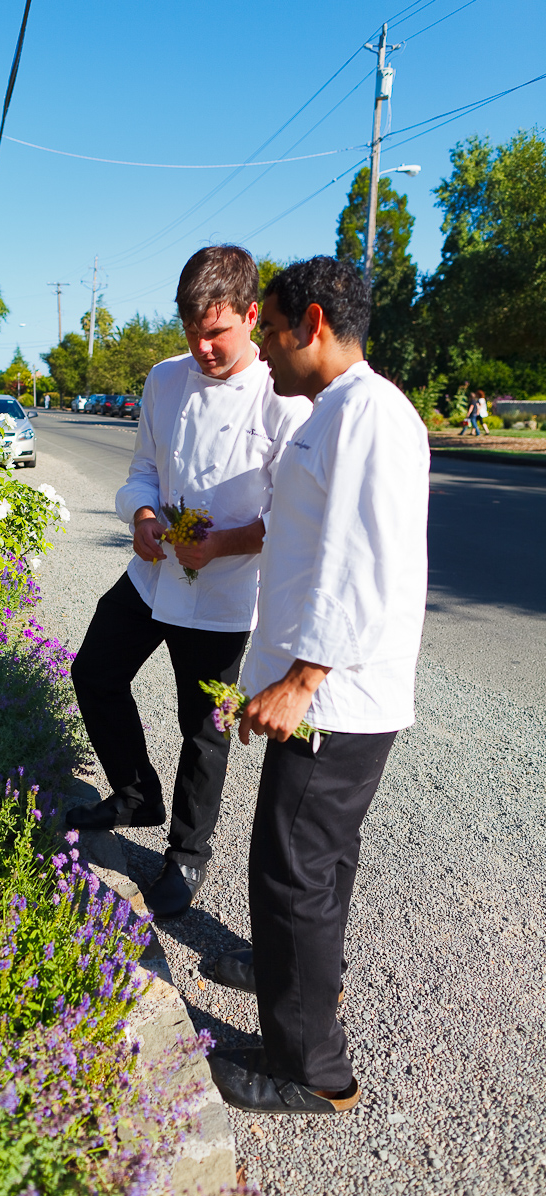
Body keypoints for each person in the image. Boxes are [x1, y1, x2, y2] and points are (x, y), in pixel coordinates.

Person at [209, 257, 429, 1114]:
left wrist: (302, 680)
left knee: (291, 870)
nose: (263, 344)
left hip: (334, 699)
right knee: (319, 865)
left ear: (311, 323)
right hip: (328, 692)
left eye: (269, 329)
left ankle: (313, 1071)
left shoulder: (368, 414)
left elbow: (367, 564)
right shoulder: (336, 411)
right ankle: (302, 982)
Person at [66, 245, 312, 918]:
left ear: (253, 316)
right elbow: (142, 468)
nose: (202, 348)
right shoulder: (164, 379)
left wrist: (224, 545)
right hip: (151, 578)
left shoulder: (281, 398)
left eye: (217, 333)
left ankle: (187, 855)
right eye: (193, 333)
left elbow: (291, 517)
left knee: (203, 731)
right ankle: (135, 793)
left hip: (227, 598)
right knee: (93, 672)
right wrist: (142, 514)